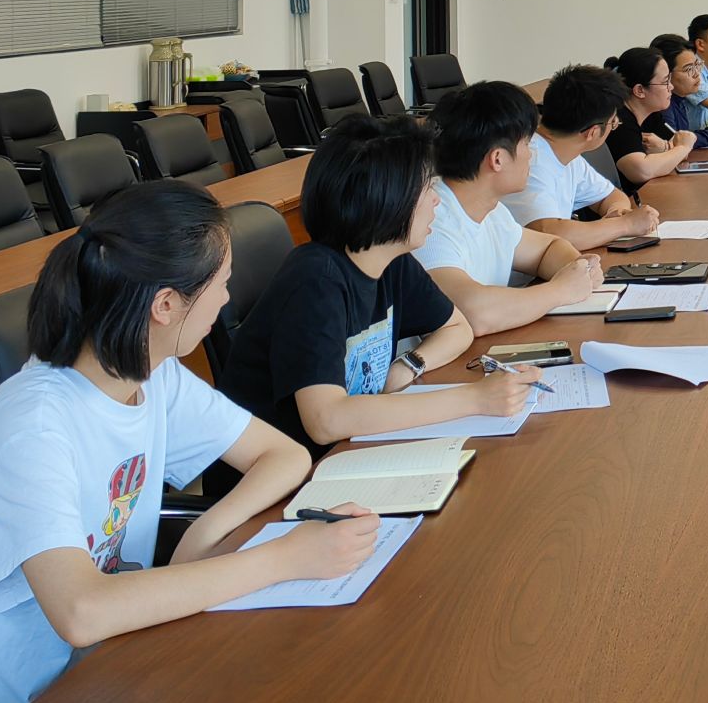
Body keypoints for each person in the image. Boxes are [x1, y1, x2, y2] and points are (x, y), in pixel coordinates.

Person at [0, 182, 377, 703]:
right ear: (165, 305)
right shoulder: (32, 429)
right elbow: (82, 612)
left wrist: (202, 532)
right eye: (221, 284)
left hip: (102, 665)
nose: (227, 299)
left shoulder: (151, 374)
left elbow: (284, 456)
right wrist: (284, 558)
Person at [219, 115, 538, 453]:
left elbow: (457, 328)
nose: (436, 200)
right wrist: (475, 399)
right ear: (388, 198)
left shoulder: (391, 261)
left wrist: (409, 366)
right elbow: (326, 420)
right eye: (427, 188)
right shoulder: (315, 281)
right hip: (290, 472)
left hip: (351, 449)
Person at [413, 81, 607, 335]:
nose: (531, 155)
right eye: (526, 144)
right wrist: (561, 290)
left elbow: (548, 248)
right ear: (498, 159)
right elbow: (472, 313)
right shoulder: (430, 218)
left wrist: (578, 269)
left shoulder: (493, 210)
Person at [504, 64, 659, 246]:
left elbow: (611, 196)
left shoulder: (567, 154)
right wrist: (625, 224)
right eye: (613, 123)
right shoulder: (531, 161)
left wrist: (616, 212)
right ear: (592, 132)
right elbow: (548, 234)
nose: (614, 127)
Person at [606, 47, 697, 198]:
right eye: (665, 82)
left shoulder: (651, 115)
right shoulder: (618, 121)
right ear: (640, 90)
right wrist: (682, 148)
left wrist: (669, 148)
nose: (671, 87)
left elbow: (678, 146)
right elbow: (641, 171)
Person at [648, 34, 708, 148]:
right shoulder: (662, 105)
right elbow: (676, 141)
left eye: (697, 65)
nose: (696, 74)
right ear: (666, 73)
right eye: (689, 69)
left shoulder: (679, 98)